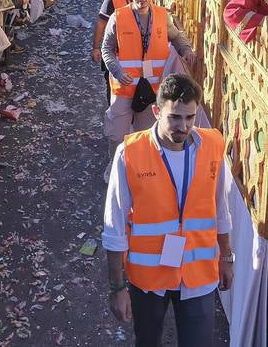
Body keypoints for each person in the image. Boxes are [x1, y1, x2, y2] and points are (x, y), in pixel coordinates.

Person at [102, 73, 233, 347]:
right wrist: (117, 288)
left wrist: (227, 258)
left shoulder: (213, 145)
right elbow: (114, 227)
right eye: (175, 117)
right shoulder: (130, 154)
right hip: (149, 277)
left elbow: (220, 208)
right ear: (156, 111)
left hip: (199, 276)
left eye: (190, 118)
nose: (183, 126)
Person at [101, 0, 194, 138]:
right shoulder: (118, 17)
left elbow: (177, 37)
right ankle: (116, 163)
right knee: (117, 136)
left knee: (144, 137)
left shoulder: (162, 16)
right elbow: (106, 49)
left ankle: (140, 165)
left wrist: (186, 49)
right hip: (124, 88)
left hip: (152, 90)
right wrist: (118, 71)